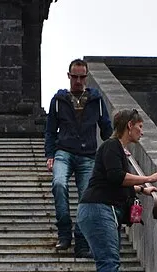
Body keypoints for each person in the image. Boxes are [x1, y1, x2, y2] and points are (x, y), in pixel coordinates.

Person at [76, 105, 157, 272]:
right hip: (98, 209)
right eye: (140, 127)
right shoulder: (111, 145)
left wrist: (143, 189)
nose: (141, 132)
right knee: (109, 261)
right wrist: (149, 177)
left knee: (107, 262)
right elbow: (116, 177)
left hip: (100, 209)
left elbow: (116, 183)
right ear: (129, 125)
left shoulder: (117, 148)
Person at [43, 59, 111, 254]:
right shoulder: (58, 100)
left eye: (82, 77)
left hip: (88, 155)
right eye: (75, 77)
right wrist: (50, 154)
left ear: (86, 77)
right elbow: (50, 131)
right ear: (69, 76)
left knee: (86, 198)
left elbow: (106, 128)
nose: (78, 81)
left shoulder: (96, 100)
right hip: (63, 151)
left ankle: (81, 241)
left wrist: (118, 148)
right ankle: (64, 233)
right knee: (58, 184)